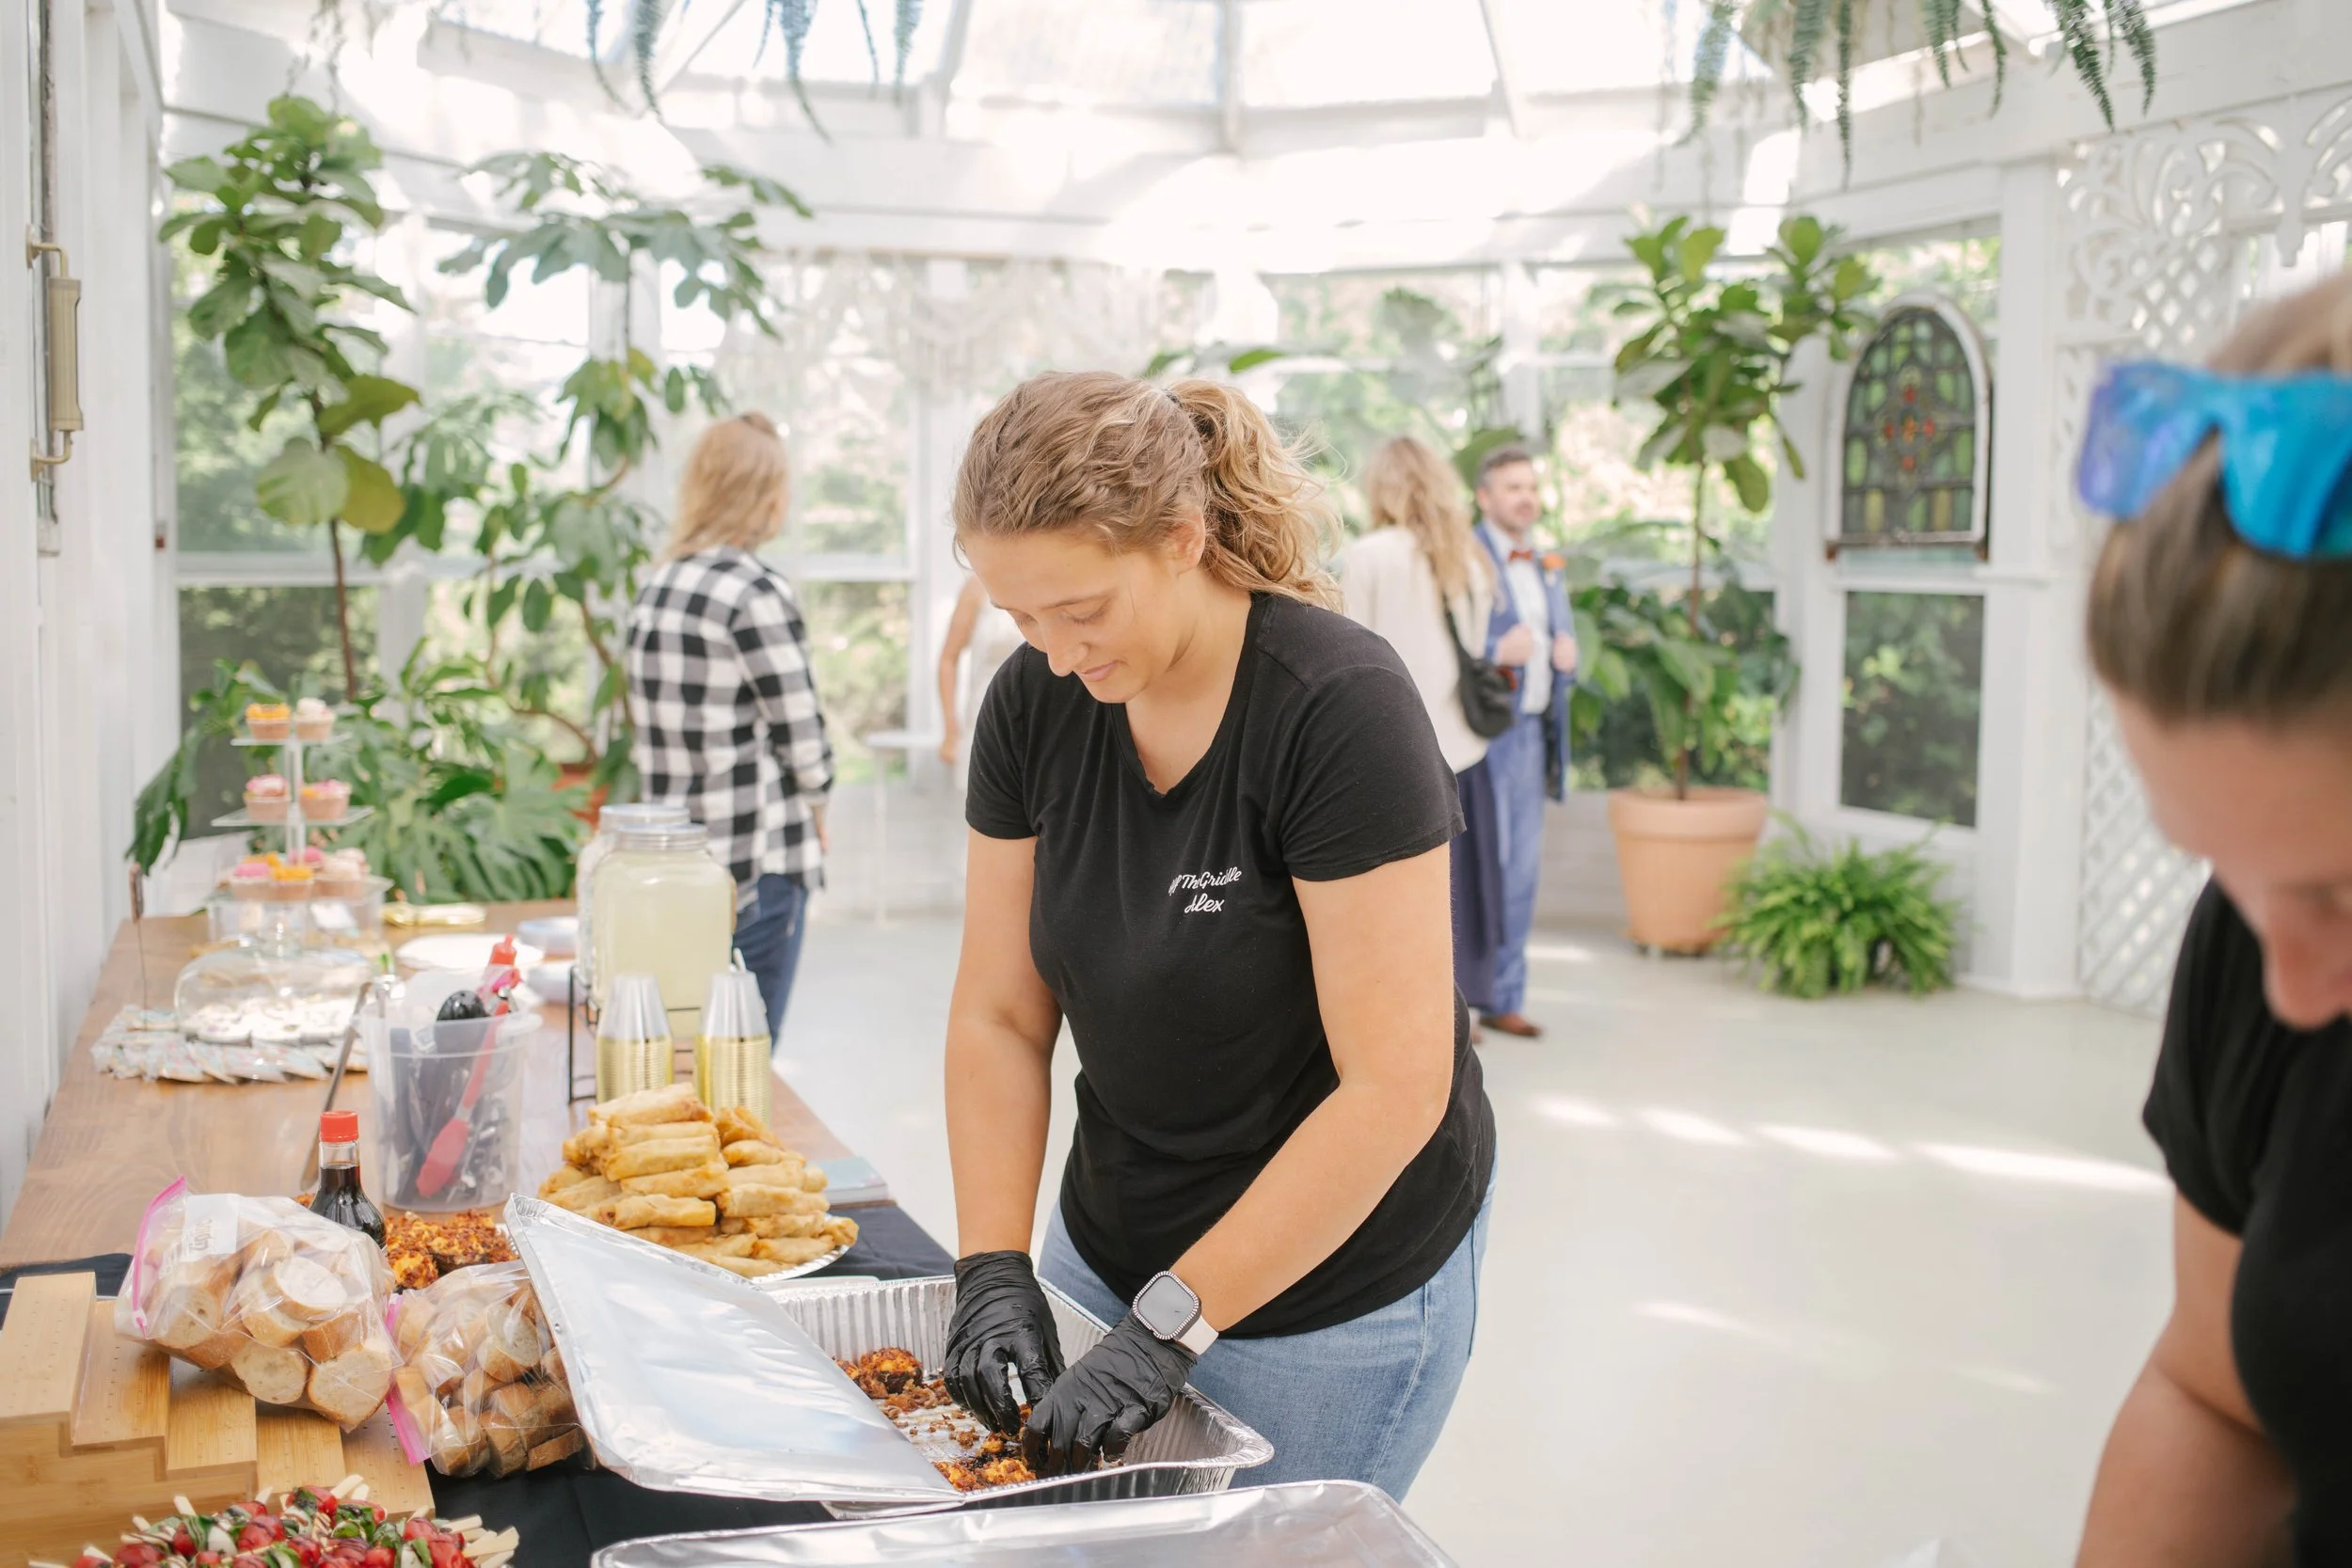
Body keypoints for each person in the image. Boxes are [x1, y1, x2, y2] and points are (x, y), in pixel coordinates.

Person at [937, 372, 1496, 1498]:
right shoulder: (1036, 701)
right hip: (1109, 1241)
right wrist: (993, 1263)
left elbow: (1394, 1086)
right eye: (1020, 616)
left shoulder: (1338, 709)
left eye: (1082, 609)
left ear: (1184, 539)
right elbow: (1000, 1009)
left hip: (1330, 1288)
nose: (1053, 652)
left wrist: (1172, 1325)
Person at [2074, 277, 2352, 1564]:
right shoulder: (2263, 942)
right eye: (2224, 871)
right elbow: (2217, 1387)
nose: (2286, 988)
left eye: (2341, 894)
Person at [625, 412, 833, 1044]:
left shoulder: (656, 587)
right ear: (765, 497)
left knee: (683, 1053)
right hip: (755, 867)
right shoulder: (754, 591)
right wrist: (821, 805)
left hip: (673, 866)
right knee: (744, 1065)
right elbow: (804, 739)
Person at [1340, 436, 1505, 1024]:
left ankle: (1416, 1010)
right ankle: (1466, 1007)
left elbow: (1347, 649)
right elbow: (1480, 646)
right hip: (1463, 743)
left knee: (1402, 891)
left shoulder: (1369, 554)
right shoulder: (1468, 555)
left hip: (1394, 745)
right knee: (1465, 884)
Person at [1461, 444, 1576, 1038]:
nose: (1525, 497)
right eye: (1512, 488)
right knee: (1479, 867)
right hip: (1483, 735)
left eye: (1530, 486)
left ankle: (1506, 996)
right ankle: (1467, 1004)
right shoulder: (1466, 556)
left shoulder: (1547, 561)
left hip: (1534, 735)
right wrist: (1492, 652)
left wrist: (1568, 658)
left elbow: (1561, 637)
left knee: (1523, 873)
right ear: (1484, 498)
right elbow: (1444, 641)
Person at [935, 575, 1027, 776]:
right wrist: (951, 731)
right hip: (987, 721)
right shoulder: (977, 586)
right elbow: (948, 660)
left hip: (1047, 720)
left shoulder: (1050, 575)